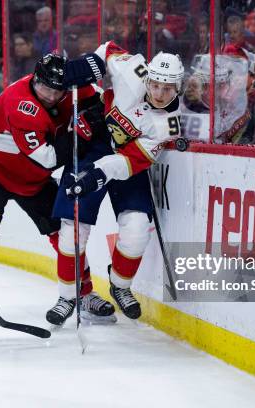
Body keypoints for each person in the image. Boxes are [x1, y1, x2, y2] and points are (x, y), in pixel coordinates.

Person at [0, 53, 113, 336]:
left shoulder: (71, 89)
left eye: (59, 90)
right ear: (35, 79)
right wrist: (82, 131)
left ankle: (84, 293)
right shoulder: (20, 105)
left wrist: (96, 109)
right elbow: (48, 157)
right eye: (46, 88)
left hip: (33, 180)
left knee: (65, 233)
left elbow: (101, 100)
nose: (52, 96)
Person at [48, 41, 183, 324]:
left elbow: (132, 161)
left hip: (124, 162)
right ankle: (67, 296)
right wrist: (84, 67)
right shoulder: (132, 71)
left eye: (167, 88)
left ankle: (120, 286)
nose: (159, 93)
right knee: (73, 228)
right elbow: (109, 48)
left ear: (178, 88)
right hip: (95, 145)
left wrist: (97, 175)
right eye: (156, 84)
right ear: (148, 76)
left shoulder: (168, 123)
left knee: (136, 231)